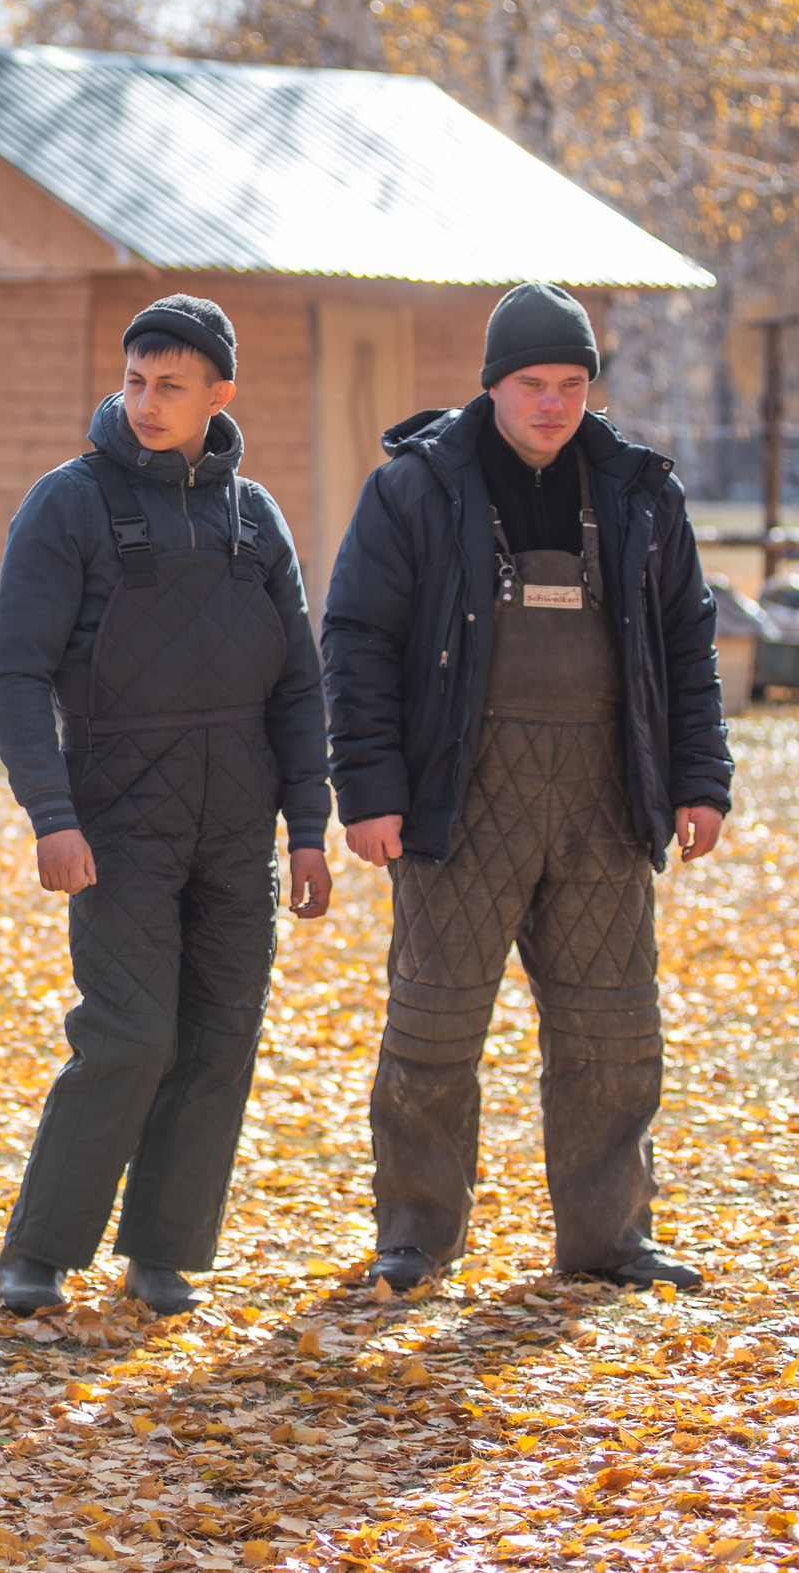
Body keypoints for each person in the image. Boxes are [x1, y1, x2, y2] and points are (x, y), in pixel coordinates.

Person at [323, 282, 733, 1293]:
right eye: (532, 384)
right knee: (432, 1026)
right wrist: (368, 789)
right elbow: (358, 642)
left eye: (572, 384)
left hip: (603, 795)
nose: (553, 404)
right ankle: (414, 1237)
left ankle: (607, 1239)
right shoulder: (415, 487)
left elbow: (687, 643)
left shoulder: (641, 490)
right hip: (459, 795)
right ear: (492, 386)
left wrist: (700, 779)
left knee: (613, 1029)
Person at [0, 296, 332, 1318]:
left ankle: (163, 1251)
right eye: (135, 379)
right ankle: (39, 1251)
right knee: (130, 1036)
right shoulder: (69, 504)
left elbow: (298, 685)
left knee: (219, 1037)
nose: (146, 401)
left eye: (170, 385)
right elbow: (11, 673)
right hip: (118, 822)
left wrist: (306, 827)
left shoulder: (254, 516)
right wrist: (50, 813)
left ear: (218, 394)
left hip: (239, 825)